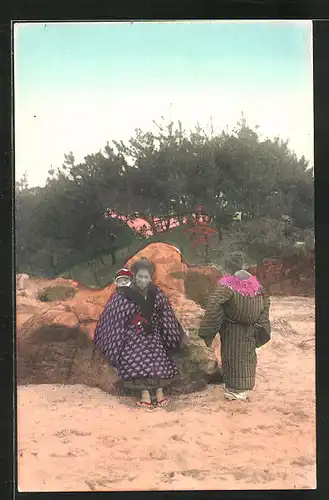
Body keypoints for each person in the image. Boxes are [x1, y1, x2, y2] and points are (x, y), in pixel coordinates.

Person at [94, 257, 187, 409]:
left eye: (146, 277)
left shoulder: (157, 293)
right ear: (135, 276)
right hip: (132, 336)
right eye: (140, 277)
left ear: (150, 277)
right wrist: (116, 341)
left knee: (158, 359)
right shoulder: (123, 295)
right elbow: (115, 319)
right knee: (137, 358)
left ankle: (160, 395)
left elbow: (166, 316)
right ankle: (145, 396)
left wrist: (170, 335)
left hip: (153, 335)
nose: (143, 280)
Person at [198, 251, 271, 401]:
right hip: (252, 327)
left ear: (227, 267)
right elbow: (266, 303)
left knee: (232, 356)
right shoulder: (256, 284)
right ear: (242, 264)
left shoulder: (227, 285)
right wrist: (260, 324)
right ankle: (245, 388)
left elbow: (214, 304)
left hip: (232, 328)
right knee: (248, 357)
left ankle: (235, 391)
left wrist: (209, 330)